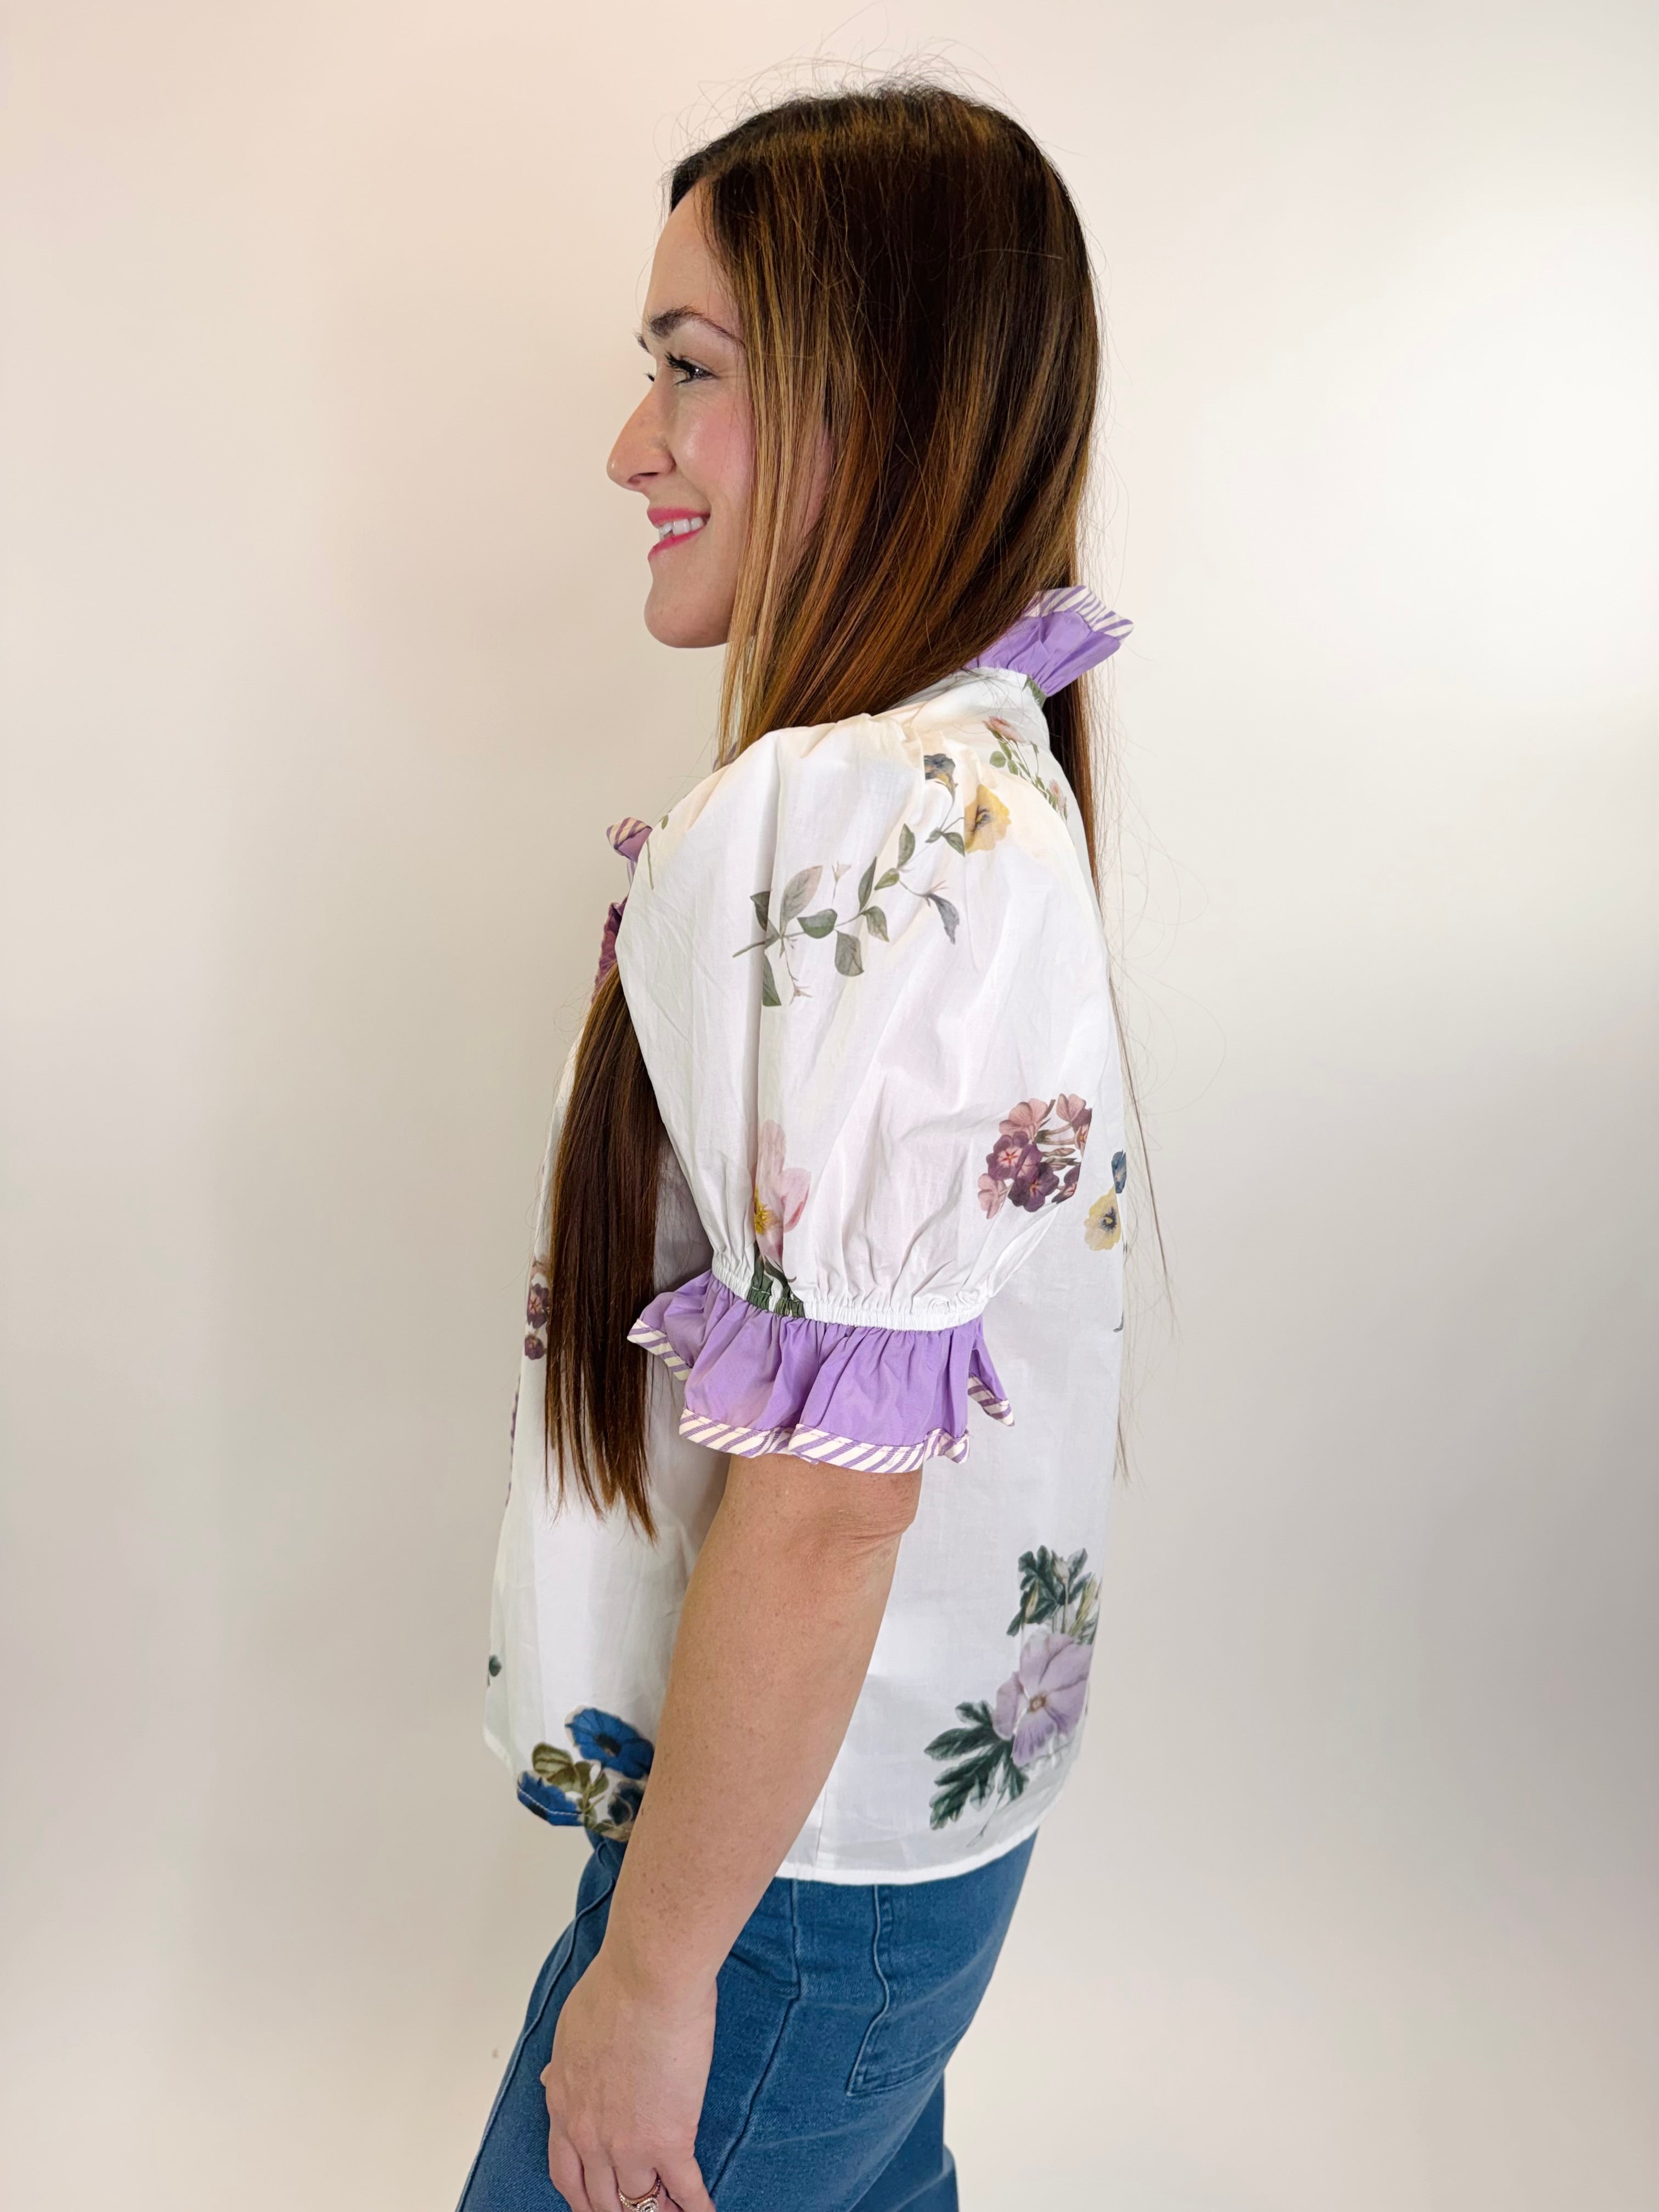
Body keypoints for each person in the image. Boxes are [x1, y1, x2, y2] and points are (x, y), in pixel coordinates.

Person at [459, 82, 1133, 2212]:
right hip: (865, 1846)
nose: (629, 446)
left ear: (878, 401)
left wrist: (657, 1976)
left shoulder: (865, 821)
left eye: (691, 369)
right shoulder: (970, 770)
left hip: (781, 1882)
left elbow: (835, 1507)